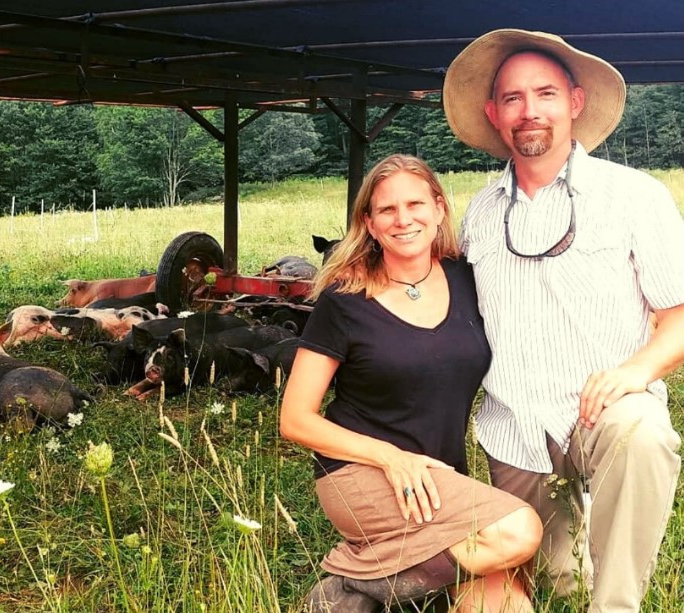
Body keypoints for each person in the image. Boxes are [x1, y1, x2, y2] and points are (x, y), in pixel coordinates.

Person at [443, 29, 684, 612]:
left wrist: (635, 372)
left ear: (574, 103)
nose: (531, 111)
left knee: (643, 433)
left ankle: (617, 606)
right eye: (513, 98)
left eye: (545, 94)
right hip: (517, 425)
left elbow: (679, 317)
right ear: (493, 114)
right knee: (558, 581)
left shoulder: (634, 195)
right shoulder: (478, 212)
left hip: (602, 411)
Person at [280, 153, 543, 612]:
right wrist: (392, 457)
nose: (404, 219)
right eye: (387, 210)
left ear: (439, 209)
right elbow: (296, 420)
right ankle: (367, 585)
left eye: (416, 204)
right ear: (370, 222)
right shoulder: (344, 300)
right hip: (361, 473)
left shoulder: (467, 280)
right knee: (517, 530)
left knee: (507, 605)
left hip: (440, 479)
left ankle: (371, 586)